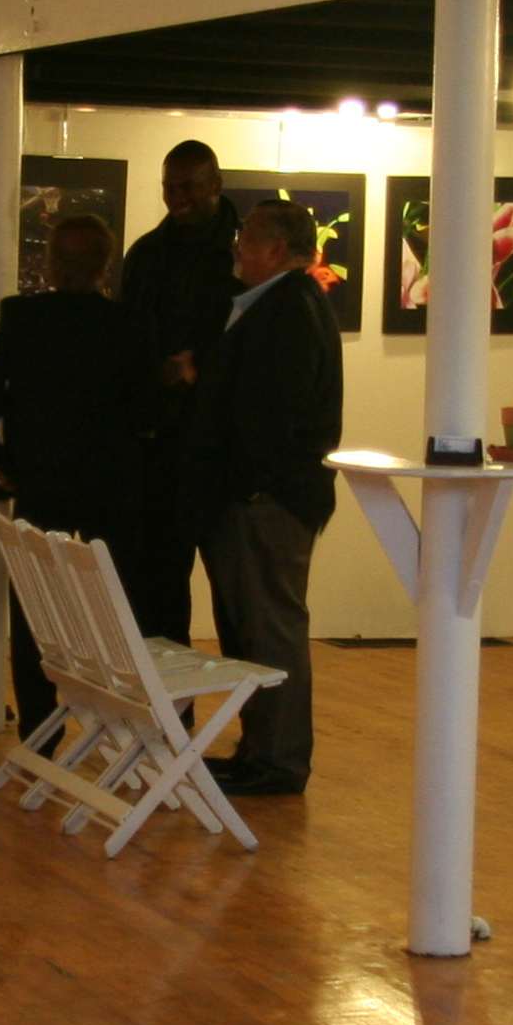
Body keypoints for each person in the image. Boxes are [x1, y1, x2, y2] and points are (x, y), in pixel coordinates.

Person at [0, 213, 157, 736]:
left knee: (36, 610)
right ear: (105, 266)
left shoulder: (23, 317)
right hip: (111, 487)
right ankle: (128, 725)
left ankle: (40, 726)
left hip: (41, 481)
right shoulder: (128, 324)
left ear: (51, 263)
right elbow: (147, 411)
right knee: (121, 608)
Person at [191, 198, 343, 799]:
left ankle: (278, 760)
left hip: (267, 502)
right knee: (249, 633)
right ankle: (258, 749)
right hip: (253, 500)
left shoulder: (289, 309)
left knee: (270, 629)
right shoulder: (277, 305)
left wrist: (247, 484)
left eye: (247, 238)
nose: (236, 247)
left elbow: (269, 414)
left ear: (278, 250)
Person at [119, 139, 241, 639]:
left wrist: (203, 369)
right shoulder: (146, 255)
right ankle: (173, 717)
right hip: (164, 449)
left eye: (188, 186)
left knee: (237, 599)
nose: (176, 197)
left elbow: (264, 346)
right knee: (162, 594)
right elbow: (127, 342)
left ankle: (254, 715)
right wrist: (158, 375)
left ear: (216, 184)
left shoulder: (245, 252)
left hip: (230, 451)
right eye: (169, 187)